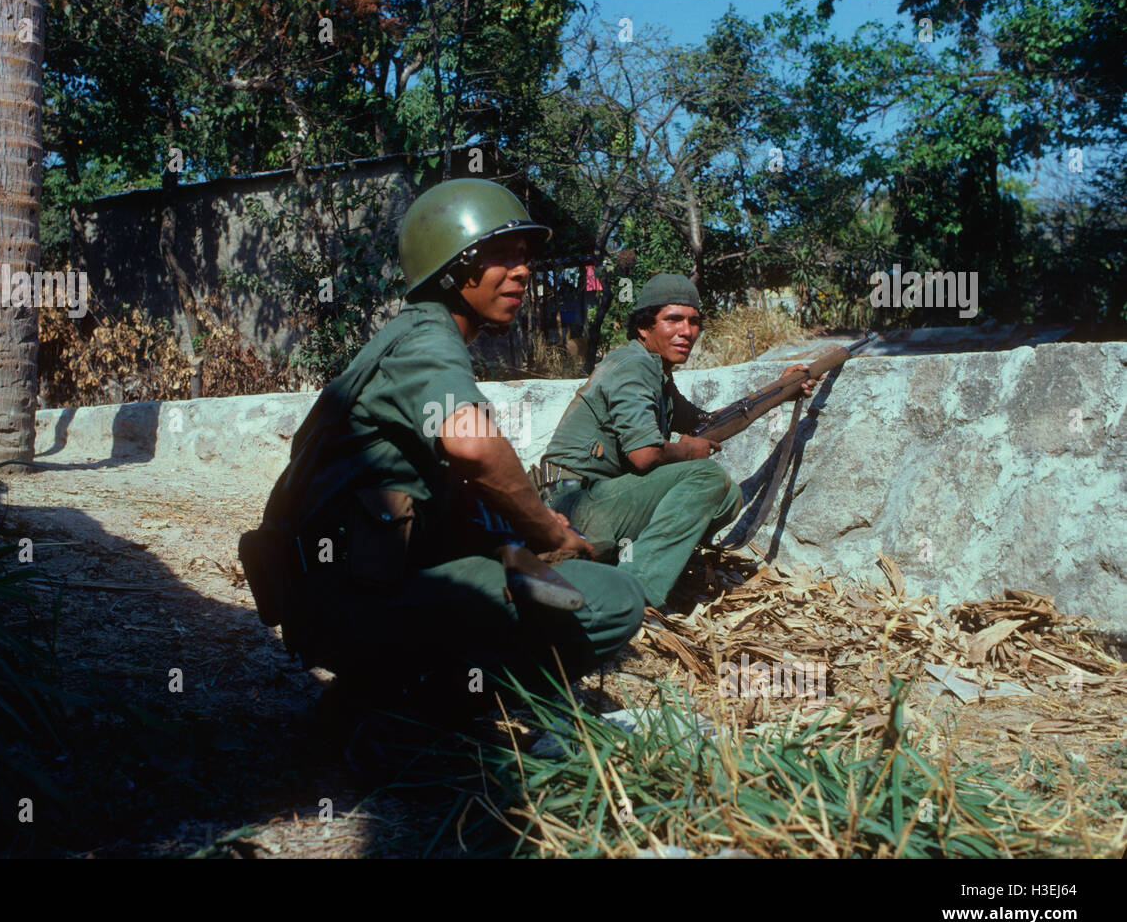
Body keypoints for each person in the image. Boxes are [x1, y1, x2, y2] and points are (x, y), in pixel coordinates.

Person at [243, 178, 646, 748]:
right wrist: (546, 528)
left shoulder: (404, 339)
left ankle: (376, 692)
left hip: (332, 599)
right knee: (615, 599)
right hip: (349, 608)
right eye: (501, 256)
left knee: (506, 551)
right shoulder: (427, 340)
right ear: (453, 269)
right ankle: (416, 714)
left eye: (525, 258)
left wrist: (512, 536)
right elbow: (473, 445)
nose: (524, 271)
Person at [539, 273, 819, 610]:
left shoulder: (656, 373)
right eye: (673, 320)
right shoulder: (634, 366)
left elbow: (711, 423)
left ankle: (623, 567)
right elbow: (644, 455)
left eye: (694, 321)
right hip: (572, 506)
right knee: (708, 477)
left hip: (597, 501)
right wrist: (688, 451)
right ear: (644, 327)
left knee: (727, 496)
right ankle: (631, 597)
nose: (686, 331)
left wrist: (779, 391)